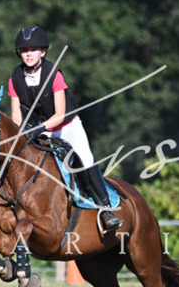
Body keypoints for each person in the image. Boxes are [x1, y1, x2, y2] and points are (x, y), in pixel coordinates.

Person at [8, 25, 122, 232]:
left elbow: (59, 114)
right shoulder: (14, 79)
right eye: (24, 51)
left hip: (66, 125)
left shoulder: (54, 74)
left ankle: (105, 208)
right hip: (37, 128)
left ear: (43, 51)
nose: (28, 54)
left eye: (33, 50)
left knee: (85, 158)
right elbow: (16, 117)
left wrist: (37, 129)